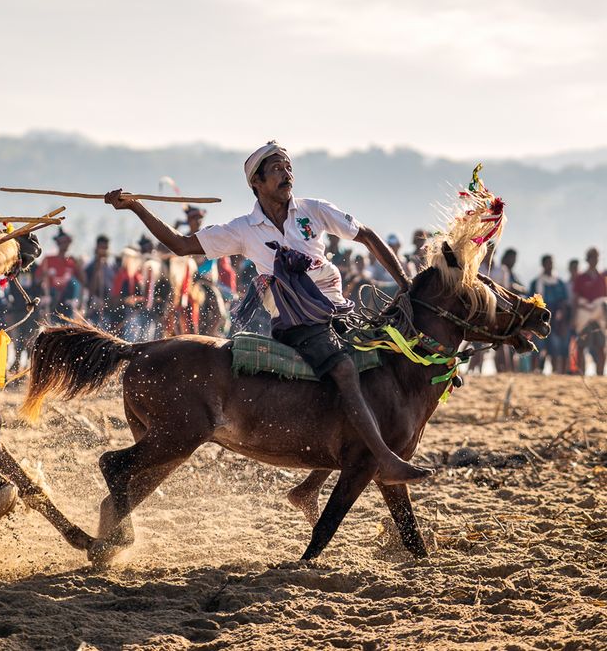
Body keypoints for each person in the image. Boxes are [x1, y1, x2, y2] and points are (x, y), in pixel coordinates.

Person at [105, 140, 431, 484]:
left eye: (288, 167)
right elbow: (180, 244)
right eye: (276, 169)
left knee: (384, 364)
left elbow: (365, 235)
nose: (286, 174)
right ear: (256, 183)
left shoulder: (313, 210)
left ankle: (311, 486)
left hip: (338, 312)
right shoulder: (243, 230)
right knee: (346, 371)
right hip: (298, 322)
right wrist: (136, 207)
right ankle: (385, 459)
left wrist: (406, 285)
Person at [530, 255, 570, 374]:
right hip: (540, 320)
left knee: (555, 348)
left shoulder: (559, 283)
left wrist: (561, 316)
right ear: (543, 265)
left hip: (556, 321)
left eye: (551, 263)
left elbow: (564, 302)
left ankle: (555, 372)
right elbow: (532, 302)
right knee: (538, 347)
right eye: (547, 263)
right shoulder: (536, 282)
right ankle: (535, 371)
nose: (550, 265)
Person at [572, 247, 607, 375]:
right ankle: (581, 373)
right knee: (581, 345)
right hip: (584, 315)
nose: (595, 260)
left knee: (601, 345)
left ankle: (600, 374)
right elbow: (576, 299)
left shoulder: (602, 277)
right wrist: (574, 317)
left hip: (599, 316)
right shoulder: (581, 277)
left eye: (597, 257)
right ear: (588, 259)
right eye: (593, 257)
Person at [36, 228, 83, 322]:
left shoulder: (72, 262)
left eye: (66, 242)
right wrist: (43, 277)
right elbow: (37, 279)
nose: (64, 245)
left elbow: (82, 282)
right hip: (52, 302)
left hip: (67, 303)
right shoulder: (48, 260)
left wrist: (79, 266)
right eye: (62, 242)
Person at [85, 234, 115, 329]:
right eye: (101, 248)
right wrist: (97, 267)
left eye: (105, 248)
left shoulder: (110, 266)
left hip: (107, 307)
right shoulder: (91, 266)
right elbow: (90, 288)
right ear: (97, 248)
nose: (104, 250)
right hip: (95, 307)